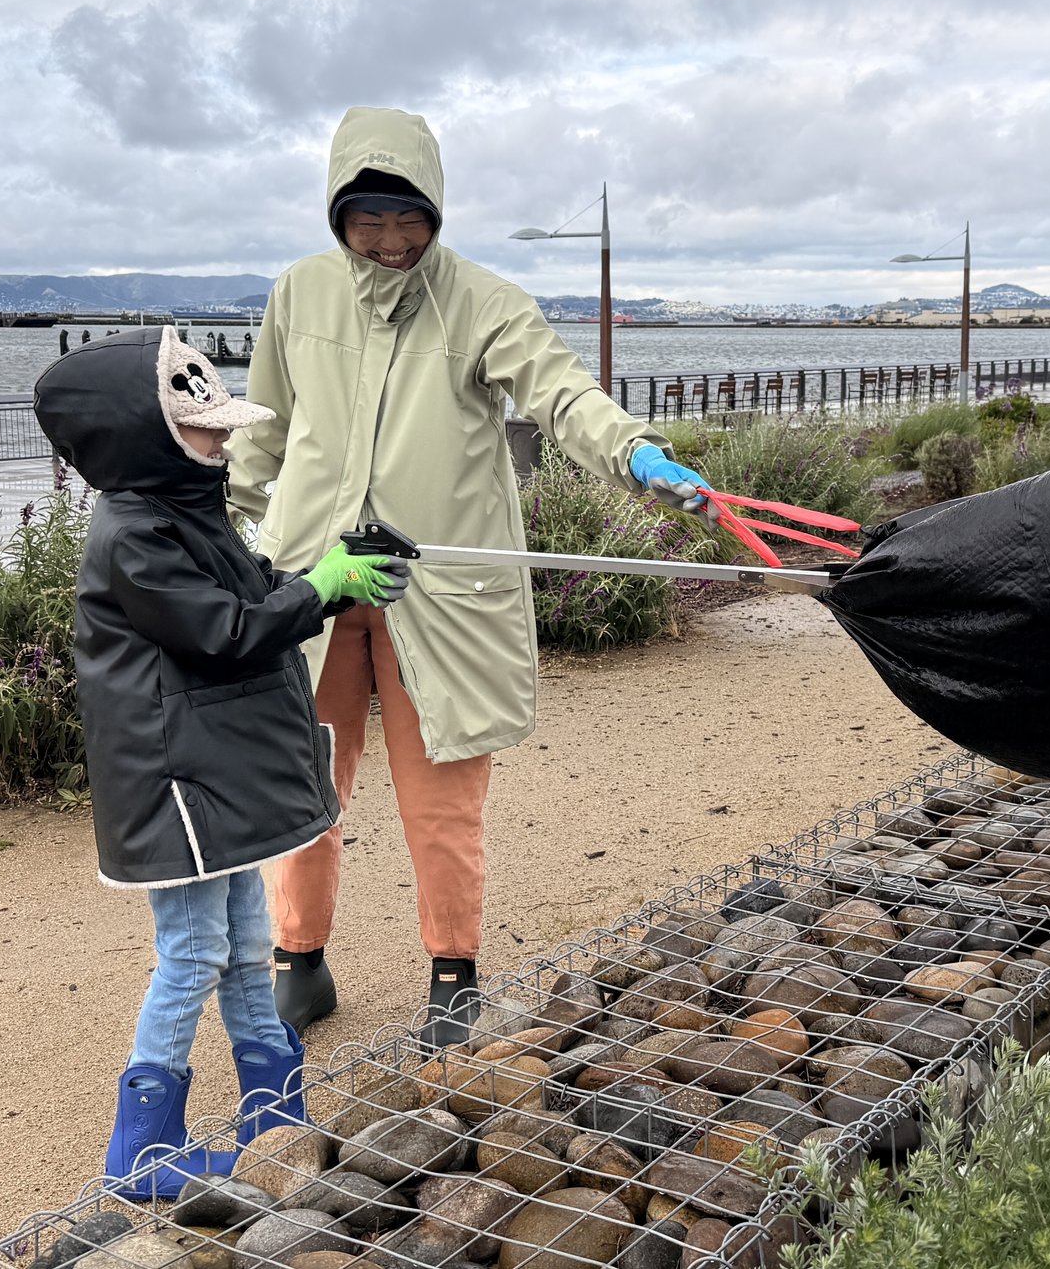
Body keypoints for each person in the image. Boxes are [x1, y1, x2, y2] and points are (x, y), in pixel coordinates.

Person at [230, 107, 715, 1046]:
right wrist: (214, 532)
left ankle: (453, 973)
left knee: (443, 797)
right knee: (299, 783)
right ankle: (300, 959)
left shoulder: (486, 303)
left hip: (438, 595)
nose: (389, 240)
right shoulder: (298, 295)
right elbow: (261, 429)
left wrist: (639, 455)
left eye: (408, 217)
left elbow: (560, 391)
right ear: (337, 215)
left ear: (436, 211)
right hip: (313, 587)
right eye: (366, 218)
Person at [32, 325, 413, 1198]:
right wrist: (323, 590)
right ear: (143, 435)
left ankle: (275, 1123)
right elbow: (225, 632)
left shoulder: (183, 512)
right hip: (174, 783)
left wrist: (330, 567)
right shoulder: (133, 536)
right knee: (194, 950)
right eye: (205, 428)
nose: (225, 438)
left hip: (212, 774)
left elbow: (252, 591)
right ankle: (142, 1152)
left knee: (247, 948)